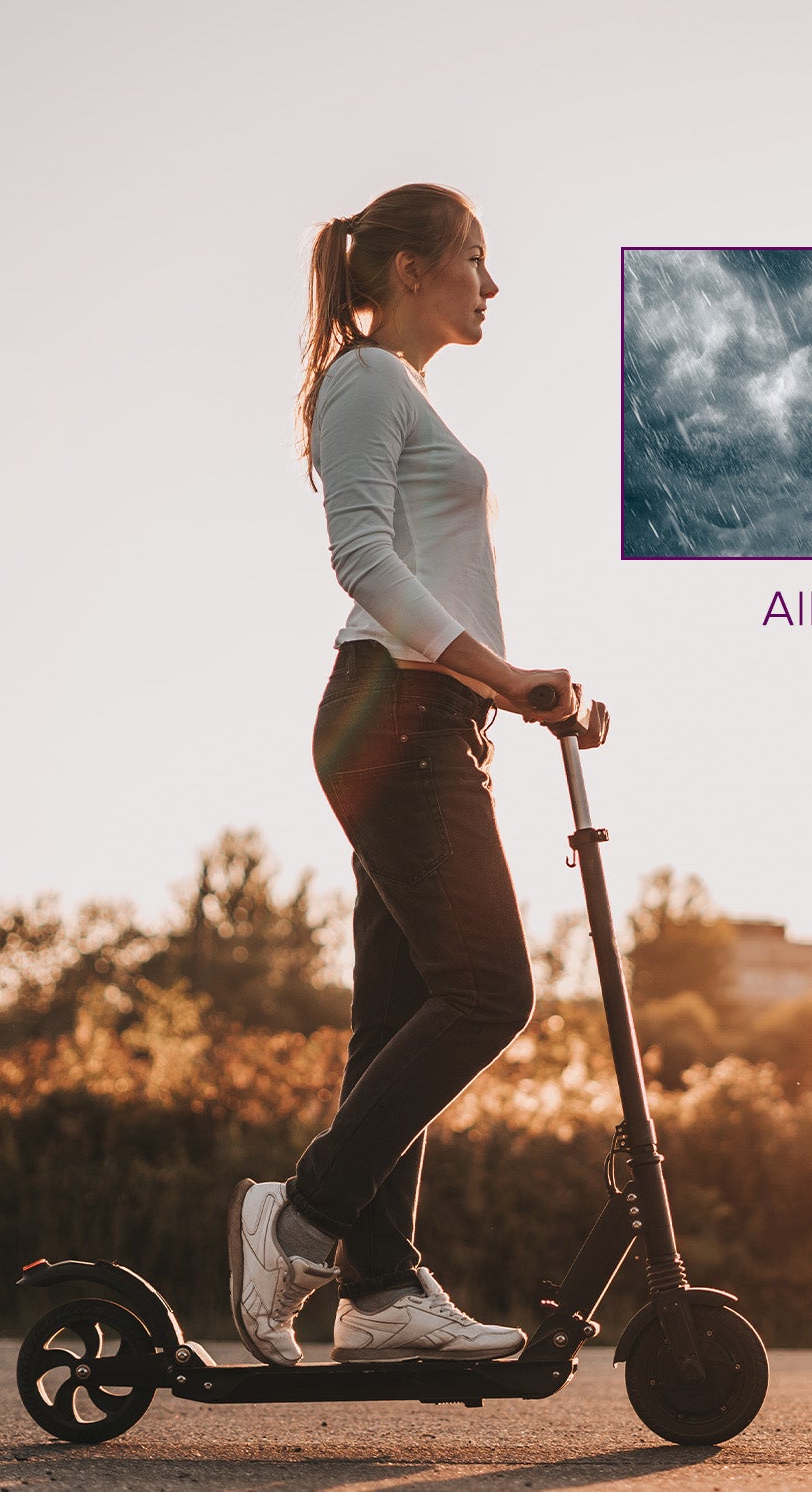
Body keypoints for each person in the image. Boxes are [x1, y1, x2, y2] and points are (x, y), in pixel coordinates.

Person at [228, 183, 579, 1367]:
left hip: (429, 718)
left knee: (395, 1017)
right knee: (489, 992)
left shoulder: (403, 390)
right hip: (397, 718)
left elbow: (424, 572)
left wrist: (513, 695)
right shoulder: (369, 377)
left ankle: (377, 1294)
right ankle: (303, 1218)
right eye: (477, 259)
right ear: (416, 269)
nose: (492, 283)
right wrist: (496, 672)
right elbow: (363, 559)